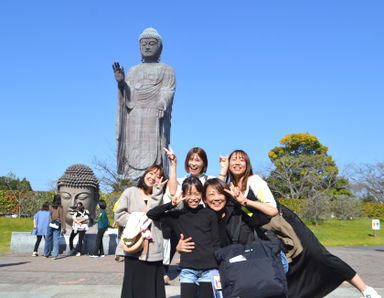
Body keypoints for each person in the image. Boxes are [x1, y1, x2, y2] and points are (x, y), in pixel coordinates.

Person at [220, 149, 381, 298]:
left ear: (248, 164)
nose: (237, 163)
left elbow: (273, 209)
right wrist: (222, 170)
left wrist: (246, 201)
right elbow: (215, 193)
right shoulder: (232, 187)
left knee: (319, 256)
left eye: (242, 160)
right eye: (233, 160)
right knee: (286, 269)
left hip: (286, 226)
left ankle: (366, 290)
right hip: (266, 233)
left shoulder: (254, 181)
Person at [113, 28, 176, 182]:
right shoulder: (133, 71)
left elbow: (168, 90)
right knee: (132, 152)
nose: (147, 47)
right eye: (144, 44)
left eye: (151, 43)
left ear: (159, 47)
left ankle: (157, 178)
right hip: (134, 118)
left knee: (156, 151)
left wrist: (162, 102)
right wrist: (121, 83)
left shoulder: (167, 70)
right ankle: (132, 179)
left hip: (154, 116)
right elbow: (128, 98)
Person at [147, 176, 221, 298]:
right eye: (189, 194)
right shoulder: (177, 216)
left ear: (202, 194)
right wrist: (171, 204)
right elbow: (151, 214)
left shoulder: (210, 214)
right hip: (188, 270)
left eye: (197, 193)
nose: (193, 198)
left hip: (209, 269)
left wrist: (219, 268)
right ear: (183, 195)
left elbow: (216, 242)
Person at [115, 165, 168, 298]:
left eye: (157, 176)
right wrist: (138, 220)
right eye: (150, 173)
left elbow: (153, 213)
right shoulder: (130, 192)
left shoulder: (160, 196)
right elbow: (119, 215)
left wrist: (157, 192)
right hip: (134, 247)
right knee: (132, 286)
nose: (152, 177)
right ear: (145, 174)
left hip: (153, 248)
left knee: (152, 288)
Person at [57, 164, 100, 231]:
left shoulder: (99, 230)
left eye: (82, 197)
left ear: (95, 200)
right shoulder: (53, 230)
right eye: (66, 197)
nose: (72, 204)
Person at [44, 194, 66, 259]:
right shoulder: (60, 208)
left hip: (50, 223)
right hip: (57, 223)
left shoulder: (50, 206)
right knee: (56, 239)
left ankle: (46, 253)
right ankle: (54, 255)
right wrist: (64, 227)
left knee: (48, 238)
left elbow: (50, 215)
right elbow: (62, 218)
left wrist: (51, 220)